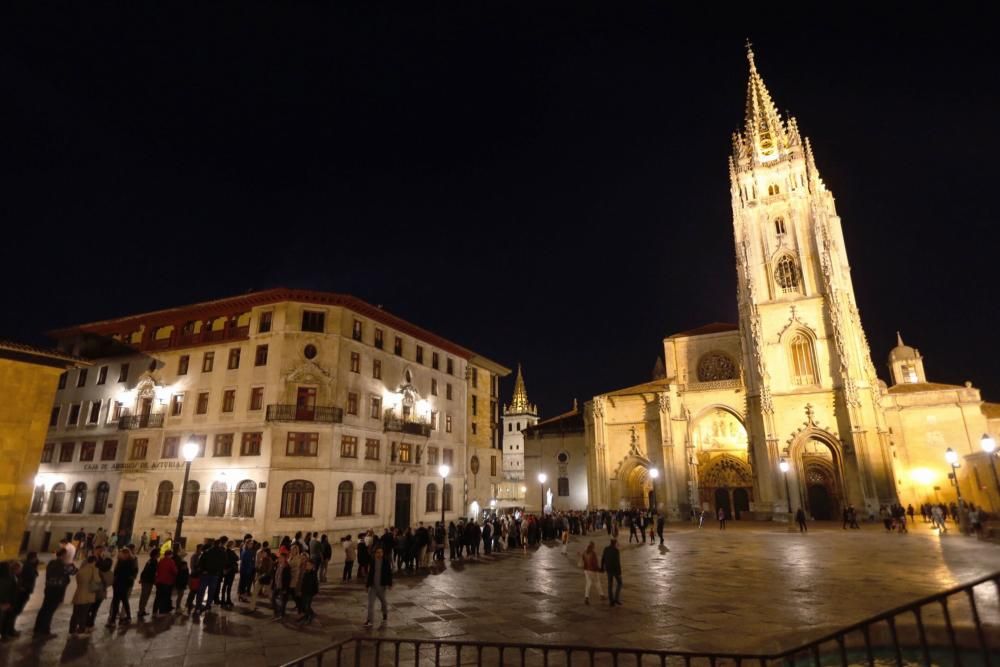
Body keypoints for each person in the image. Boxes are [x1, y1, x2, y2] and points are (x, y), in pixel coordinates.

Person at [33, 549, 74, 637]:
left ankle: (37, 628)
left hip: (49, 589)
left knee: (44, 608)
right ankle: (45, 630)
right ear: (63, 555)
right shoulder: (63, 565)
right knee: (50, 611)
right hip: (57, 591)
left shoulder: (51, 563)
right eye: (66, 555)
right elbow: (73, 571)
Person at [107, 548, 138, 626]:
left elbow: (131, 574)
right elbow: (116, 572)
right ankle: (115, 619)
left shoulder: (130, 562)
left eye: (122, 554)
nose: (121, 555)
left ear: (127, 554)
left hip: (123, 584)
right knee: (117, 601)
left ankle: (122, 618)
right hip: (118, 584)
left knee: (122, 601)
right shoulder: (121, 561)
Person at [70, 556, 99, 635]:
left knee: (75, 613)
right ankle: (81, 630)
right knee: (84, 614)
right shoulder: (94, 570)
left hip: (78, 593)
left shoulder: (81, 569)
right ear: (94, 562)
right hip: (88, 595)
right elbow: (97, 581)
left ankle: (72, 630)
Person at [364, 546, 392, 627]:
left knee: (383, 602)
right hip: (373, 587)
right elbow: (370, 574)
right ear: (375, 554)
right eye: (378, 552)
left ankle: (385, 614)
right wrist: (367, 585)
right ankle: (370, 620)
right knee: (370, 604)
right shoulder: (373, 562)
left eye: (381, 552)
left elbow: (389, 573)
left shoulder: (386, 562)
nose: (380, 554)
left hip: (381, 587)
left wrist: (389, 584)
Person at [153, 549, 177, 615]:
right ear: (170, 555)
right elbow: (175, 571)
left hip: (159, 581)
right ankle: (162, 610)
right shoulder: (171, 561)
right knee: (164, 596)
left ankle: (154, 610)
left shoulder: (161, 560)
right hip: (167, 582)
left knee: (158, 596)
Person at [600, 539, 622, 607]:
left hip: (608, 569)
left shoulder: (606, 549)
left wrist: (602, 568)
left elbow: (603, 558)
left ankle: (611, 601)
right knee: (620, 583)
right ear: (615, 543)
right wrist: (619, 572)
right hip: (615, 570)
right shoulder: (616, 551)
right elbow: (617, 562)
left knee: (610, 585)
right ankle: (616, 598)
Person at [136, 551, 158, 618]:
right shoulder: (153, 562)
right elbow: (149, 572)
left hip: (147, 581)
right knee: (145, 596)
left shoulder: (151, 561)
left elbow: (145, 571)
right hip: (148, 581)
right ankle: (141, 611)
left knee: (145, 596)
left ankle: (142, 610)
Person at [298, 560, 319, 624]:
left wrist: (314, 592)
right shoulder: (305, 572)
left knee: (307, 605)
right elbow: (303, 583)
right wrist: (301, 590)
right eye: (307, 565)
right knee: (304, 605)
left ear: (312, 566)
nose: (307, 566)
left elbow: (315, 583)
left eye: (309, 565)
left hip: (309, 592)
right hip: (304, 592)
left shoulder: (313, 573)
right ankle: (307, 616)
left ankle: (309, 618)